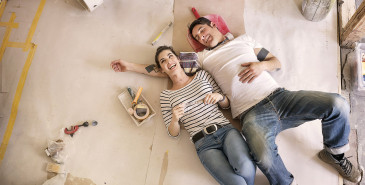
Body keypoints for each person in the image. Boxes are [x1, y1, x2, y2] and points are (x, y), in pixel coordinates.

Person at [110, 17, 363, 184]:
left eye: (203, 29)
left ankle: (335, 155)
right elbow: (166, 67)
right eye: (197, 36)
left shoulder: (245, 40)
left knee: (337, 104)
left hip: (281, 97)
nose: (201, 36)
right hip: (252, 115)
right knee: (263, 156)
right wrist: (129, 65)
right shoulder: (202, 59)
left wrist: (261, 66)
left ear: (214, 25)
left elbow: (276, 62)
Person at [111, 46, 257, 185]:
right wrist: (175, 118)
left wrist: (219, 97)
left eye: (170, 56)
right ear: (161, 69)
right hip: (203, 144)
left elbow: (227, 105)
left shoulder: (202, 75)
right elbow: (172, 134)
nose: (169, 61)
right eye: (163, 61)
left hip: (225, 131)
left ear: (179, 60)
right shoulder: (166, 96)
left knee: (245, 167)